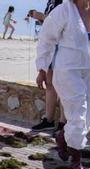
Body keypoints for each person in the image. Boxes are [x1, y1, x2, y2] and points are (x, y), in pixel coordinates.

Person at [36, 0, 90, 169]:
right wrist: (42, 68)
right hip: (67, 69)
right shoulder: (63, 11)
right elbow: (46, 39)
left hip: (89, 67)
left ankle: (63, 136)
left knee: (87, 115)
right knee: (78, 113)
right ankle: (76, 160)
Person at [26, 0, 62, 132]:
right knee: (49, 82)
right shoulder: (51, 1)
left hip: (61, 46)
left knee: (62, 84)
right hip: (51, 45)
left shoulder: (63, 2)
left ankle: (63, 123)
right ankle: (49, 119)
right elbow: (48, 23)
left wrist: (38, 15)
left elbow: (58, 21)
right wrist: (40, 18)